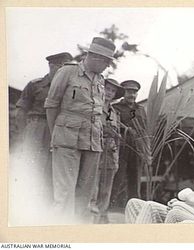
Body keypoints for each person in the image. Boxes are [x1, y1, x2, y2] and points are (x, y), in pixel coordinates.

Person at [44, 37, 116, 223]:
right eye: (106, 62)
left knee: (86, 194)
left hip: (92, 141)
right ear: (95, 57)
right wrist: (56, 135)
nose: (108, 67)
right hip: (67, 138)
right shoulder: (68, 72)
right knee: (65, 193)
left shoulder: (100, 80)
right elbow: (52, 105)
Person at [15, 52, 73, 206]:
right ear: (51, 65)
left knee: (54, 169)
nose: (63, 70)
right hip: (37, 127)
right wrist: (23, 136)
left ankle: (46, 207)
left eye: (66, 67)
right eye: (60, 66)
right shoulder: (35, 85)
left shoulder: (69, 89)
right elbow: (21, 111)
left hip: (59, 129)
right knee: (33, 166)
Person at [124, 150, 194, 223]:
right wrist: (177, 203)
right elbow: (191, 199)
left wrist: (181, 205)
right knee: (133, 203)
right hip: (183, 210)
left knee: (150, 206)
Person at [91, 78, 124, 224]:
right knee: (93, 185)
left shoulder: (114, 112)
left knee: (106, 187)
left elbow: (117, 135)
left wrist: (116, 155)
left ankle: (103, 215)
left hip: (110, 152)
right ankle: (92, 216)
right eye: (107, 89)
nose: (109, 93)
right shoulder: (94, 105)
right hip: (95, 148)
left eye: (113, 91)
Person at [110, 80, 147, 207]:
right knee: (117, 177)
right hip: (121, 146)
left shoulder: (141, 109)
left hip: (137, 149)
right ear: (123, 92)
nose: (132, 95)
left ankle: (135, 207)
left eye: (134, 92)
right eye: (129, 91)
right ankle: (109, 207)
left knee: (135, 179)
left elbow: (145, 129)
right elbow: (112, 124)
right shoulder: (115, 108)